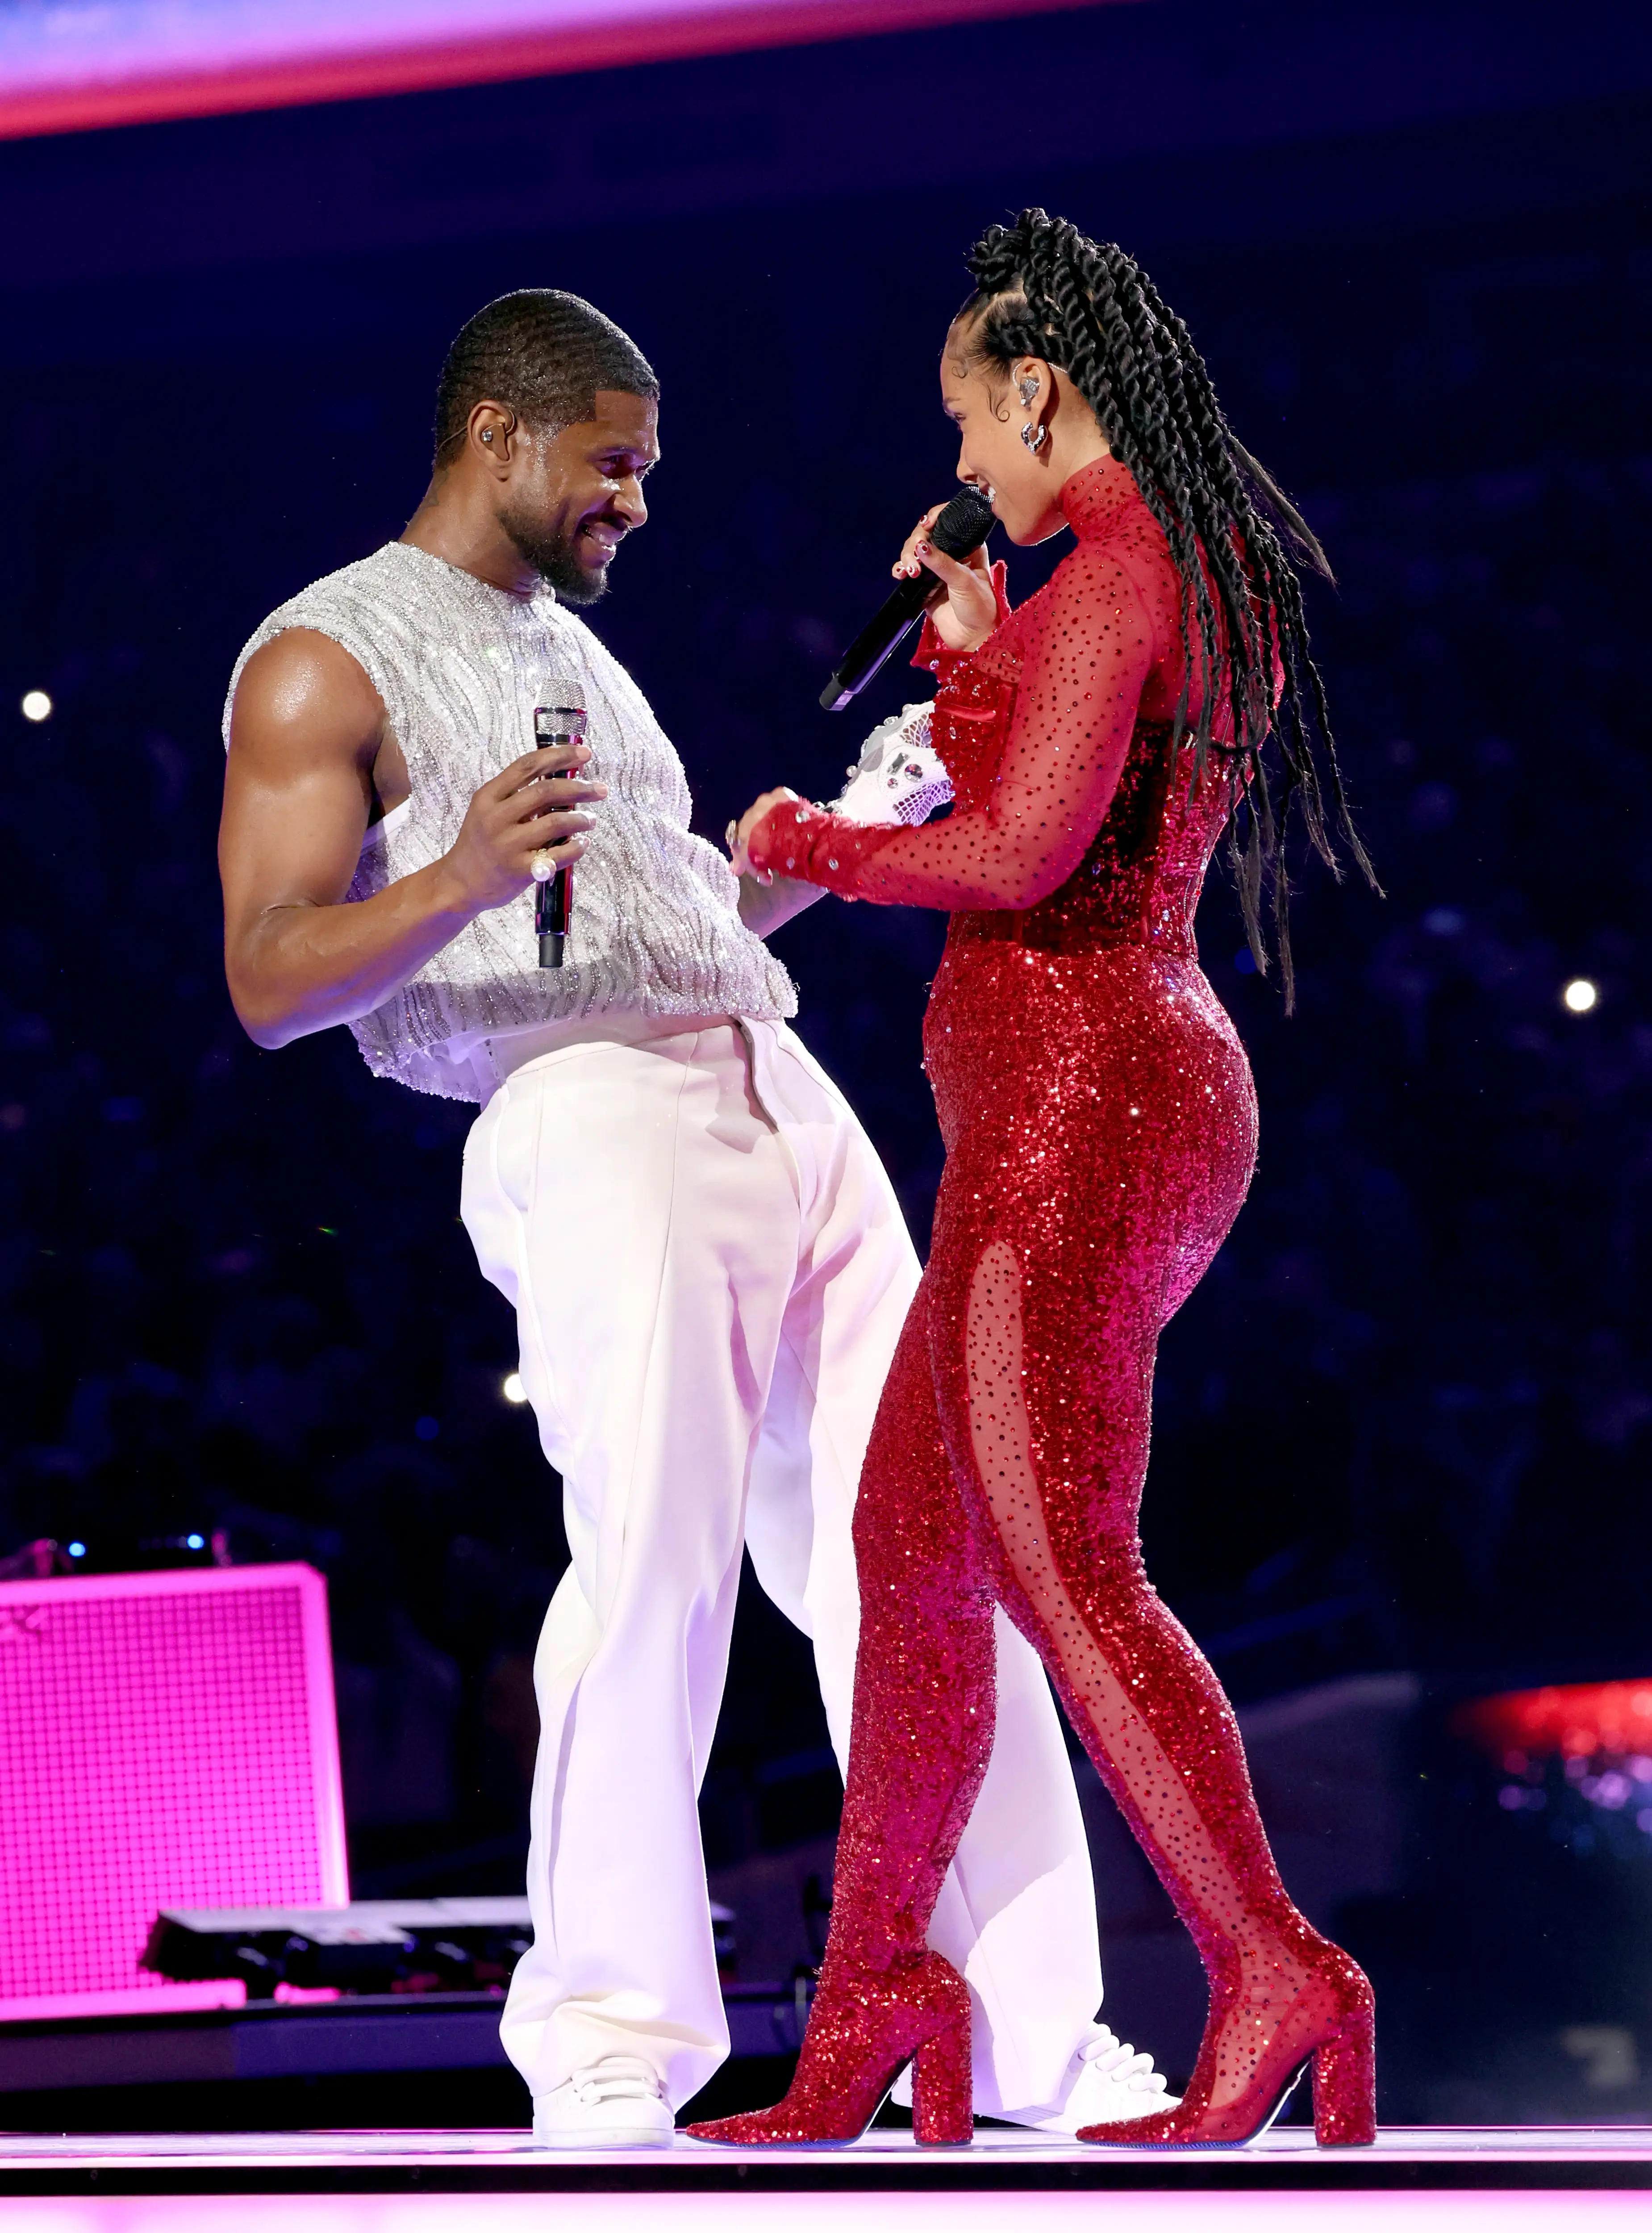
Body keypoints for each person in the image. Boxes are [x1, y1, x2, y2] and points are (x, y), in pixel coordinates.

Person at [217, 288, 1176, 2146]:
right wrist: (463, 872)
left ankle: (1034, 2036)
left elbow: (677, 930)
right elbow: (268, 978)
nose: (637, 502)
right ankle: (605, 2039)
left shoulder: (571, 651)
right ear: (498, 433)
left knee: (933, 1562)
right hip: (586, 1110)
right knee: (654, 1564)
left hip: (770, 1085)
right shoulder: (323, 658)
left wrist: (863, 812)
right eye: (612, 463)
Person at [688, 211, 1379, 2151]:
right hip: (1108, 1095)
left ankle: (1272, 1961)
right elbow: (1078, 795)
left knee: (1063, 1567)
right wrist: (984, 657)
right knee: (912, 1560)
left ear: (1038, 390)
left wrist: (811, 845)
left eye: (969, 424)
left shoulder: (1118, 584)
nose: (963, 461)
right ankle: (873, 1995)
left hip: (1080, 1113)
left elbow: (1009, 861)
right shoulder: (1159, 580)